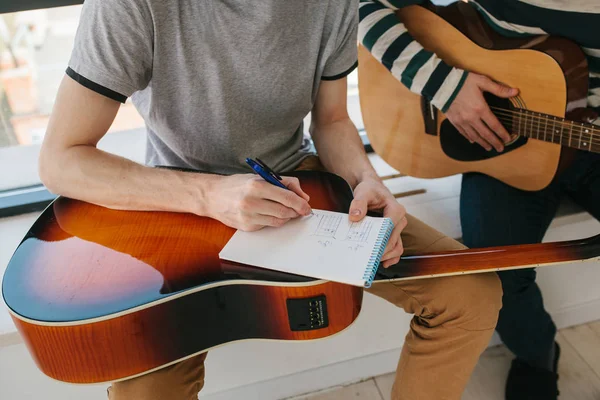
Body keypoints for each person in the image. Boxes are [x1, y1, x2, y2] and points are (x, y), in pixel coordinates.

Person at [38, 1, 502, 399]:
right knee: (144, 387)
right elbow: (61, 160)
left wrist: (366, 180)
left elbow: (333, 120)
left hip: (296, 184)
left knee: (470, 295)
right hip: (177, 197)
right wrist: (209, 194)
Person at [359, 0, 600, 399]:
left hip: (588, 140)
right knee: (494, 277)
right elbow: (360, 6)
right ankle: (537, 357)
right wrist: (446, 87)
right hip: (501, 145)